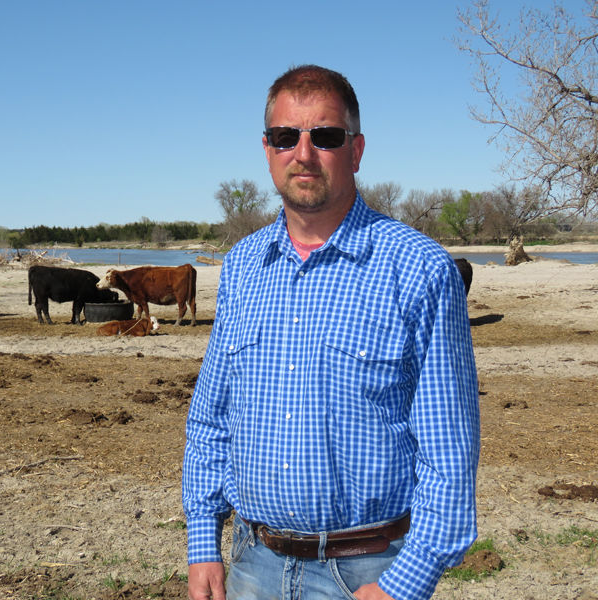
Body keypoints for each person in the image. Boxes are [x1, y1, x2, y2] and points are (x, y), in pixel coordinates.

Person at [182, 65, 480, 600]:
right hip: (253, 563)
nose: (303, 152)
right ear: (267, 148)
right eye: (284, 136)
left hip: (368, 573)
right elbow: (212, 416)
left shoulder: (420, 269)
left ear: (357, 150)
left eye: (325, 136)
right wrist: (204, 540)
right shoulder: (244, 266)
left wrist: (405, 584)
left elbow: (449, 452)